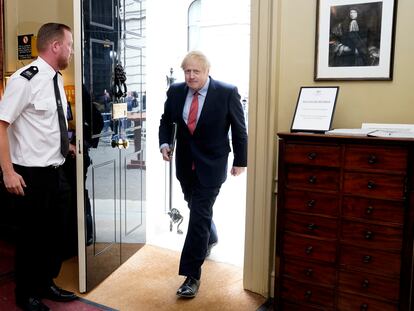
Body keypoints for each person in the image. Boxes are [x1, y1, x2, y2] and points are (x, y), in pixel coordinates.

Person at [0, 23, 78, 311]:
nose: (71, 50)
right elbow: (2, 125)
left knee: (54, 234)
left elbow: (45, 124)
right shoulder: (25, 79)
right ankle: (26, 294)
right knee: (31, 239)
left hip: (56, 171)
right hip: (31, 175)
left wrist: (65, 146)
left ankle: (46, 283)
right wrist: (8, 172)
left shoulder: (56, 78)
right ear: (55, 46)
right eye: (69, 44)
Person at [158, 51, 248, 298]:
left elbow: (240, 130)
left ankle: (191, 276)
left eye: (196, 71)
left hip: (213, 164)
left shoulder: (227, 92)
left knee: (198, 216)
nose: (190, 76)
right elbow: (166, 121)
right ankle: (212, 236)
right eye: (187, 71)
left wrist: (241, 161)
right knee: (197, 209)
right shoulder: (176, 91)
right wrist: (164, 143)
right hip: (186, 165)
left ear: (207, 71)